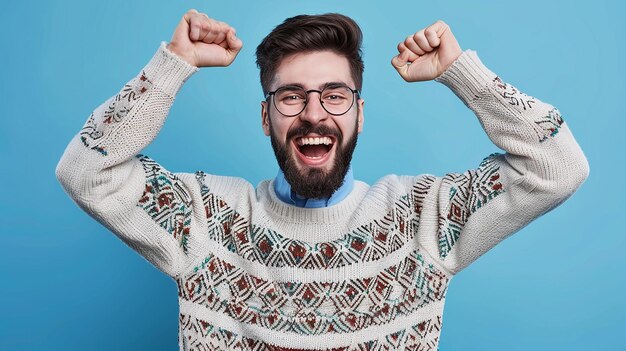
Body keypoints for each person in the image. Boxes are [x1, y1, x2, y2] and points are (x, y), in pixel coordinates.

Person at [56, 9, 589, 350]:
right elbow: (85, 171)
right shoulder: (202, 218)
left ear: (359, 113)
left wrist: (463, 74)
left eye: (334, 95)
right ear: (266, 117)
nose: (314, 114)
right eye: (292, 96)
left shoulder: (427, 216)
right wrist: (172, 63)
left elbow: (558, 167)